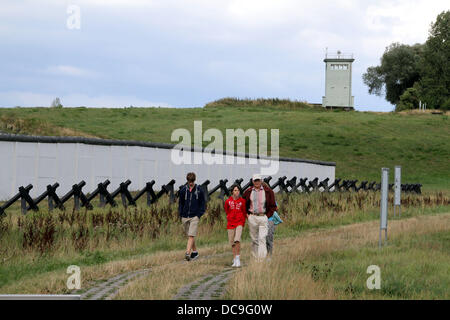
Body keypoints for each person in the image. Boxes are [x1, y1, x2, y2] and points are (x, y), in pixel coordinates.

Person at [242, 174, 277, 260]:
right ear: (252, 181)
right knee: (254, 239)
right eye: (255, 180)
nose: (257, 182)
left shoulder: (268, 191)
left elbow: (273, 206)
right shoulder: (248, 192)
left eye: (258, 180)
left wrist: (267, 216)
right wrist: (247, 215)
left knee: (262, 238)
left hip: (263, 217)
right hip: (252, 217)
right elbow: (243, 204)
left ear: (261, 181)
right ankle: (255, 258)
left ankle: (261, 259)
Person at [178, 172, 206, 261]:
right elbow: (181, 203)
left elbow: (203, 204)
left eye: (192, 181)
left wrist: (199, 215)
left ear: (194, 180)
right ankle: (195, 252)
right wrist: (180, 213)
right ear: (187, 180)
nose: (191, 183)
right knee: (190, 236)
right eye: (189, 181)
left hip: (194, 216)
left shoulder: (199, 190)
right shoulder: (183, 190)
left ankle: (187, 253)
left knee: (191, 235)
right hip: (185, 216)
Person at [224, 184, 247, 268]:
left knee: (237, 239)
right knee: (232, 242)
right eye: (235, 190)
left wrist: (243, 222)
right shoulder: (228, 201)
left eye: (238, 190)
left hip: (239, 223)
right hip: (230, 223)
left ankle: (238, 258)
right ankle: (234, 258)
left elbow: (244, 212)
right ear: (232, 192)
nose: (237, 192)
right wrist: (229, 217)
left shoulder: (242, 201)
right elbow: (227, 210)